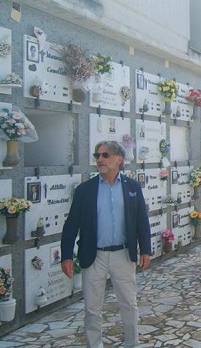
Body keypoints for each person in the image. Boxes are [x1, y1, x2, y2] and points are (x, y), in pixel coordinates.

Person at [61, 140, 151, 348]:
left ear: (119, 159)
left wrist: (145, 249)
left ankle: (132, 343)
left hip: (122, 255)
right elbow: (72, 223)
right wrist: (66, 254)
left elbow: (141, 220)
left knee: (129, 304)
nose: (100, 159)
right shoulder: (85, 190)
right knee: (92, 309)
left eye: (105, 155)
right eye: (97, 156)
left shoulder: (132, 187)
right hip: (94, 256)